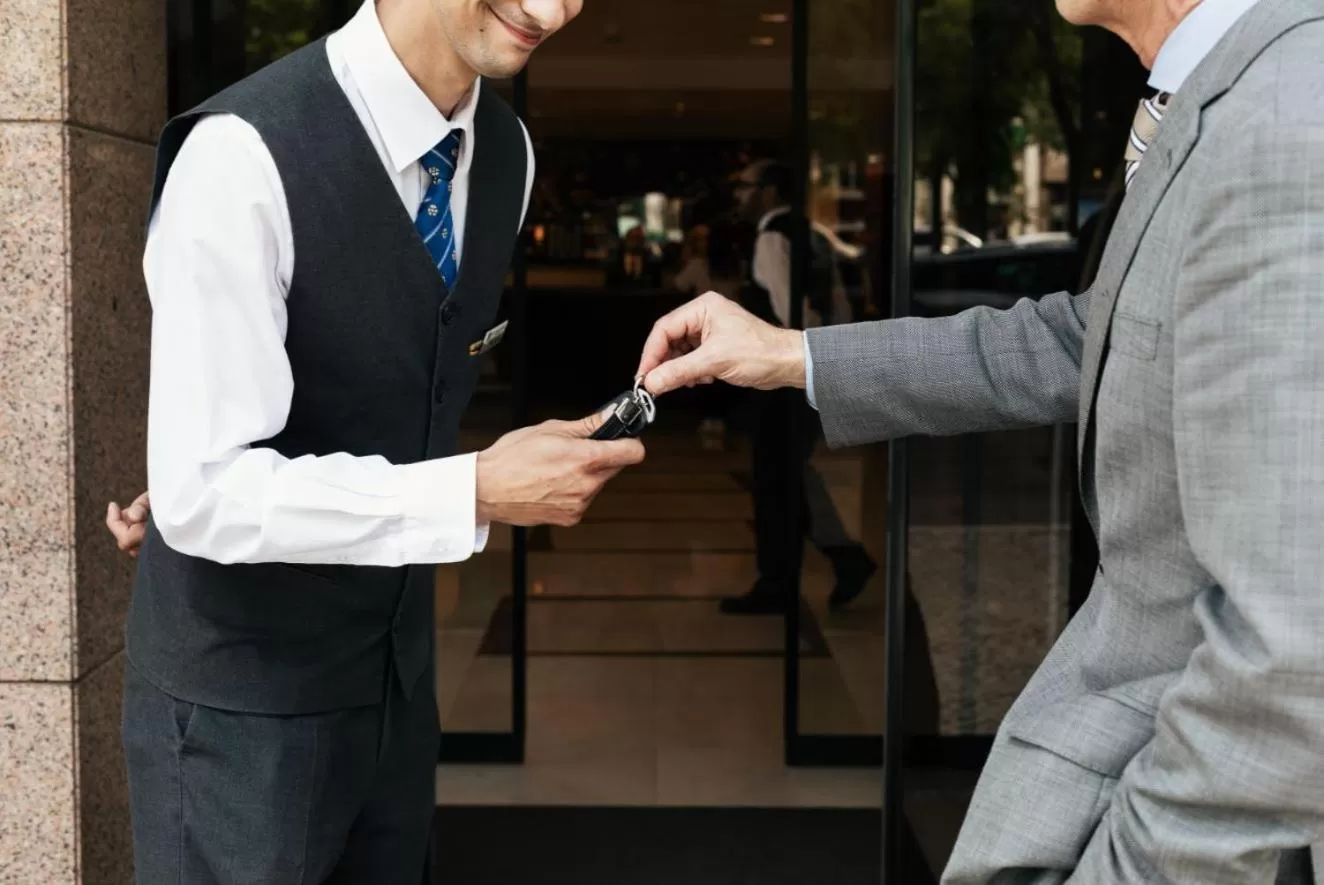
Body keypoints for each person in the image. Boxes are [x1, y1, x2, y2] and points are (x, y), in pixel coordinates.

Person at [636, 0, 1324, 881]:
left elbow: (1291, 657)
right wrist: (790, 355)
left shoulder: (1287, 114)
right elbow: (1086, 337)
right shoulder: (1222, 92)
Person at [109, 2, 648, 883]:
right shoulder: (239, 156)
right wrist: (474, 488)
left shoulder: (506, 156)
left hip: (396, 691)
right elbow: (205, 487)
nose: (552, 10)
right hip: (239, 715)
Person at [723, 159, 875, 614]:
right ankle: (842, 557)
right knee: (792, 475)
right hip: (812, 372)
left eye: (745, 187)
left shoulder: (772, 236)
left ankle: (781, 582)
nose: (739, 196)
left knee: (775, 479)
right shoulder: (810, 233)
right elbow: (837, 304)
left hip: (783, 377)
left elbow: (792, 315)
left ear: (769, 191)